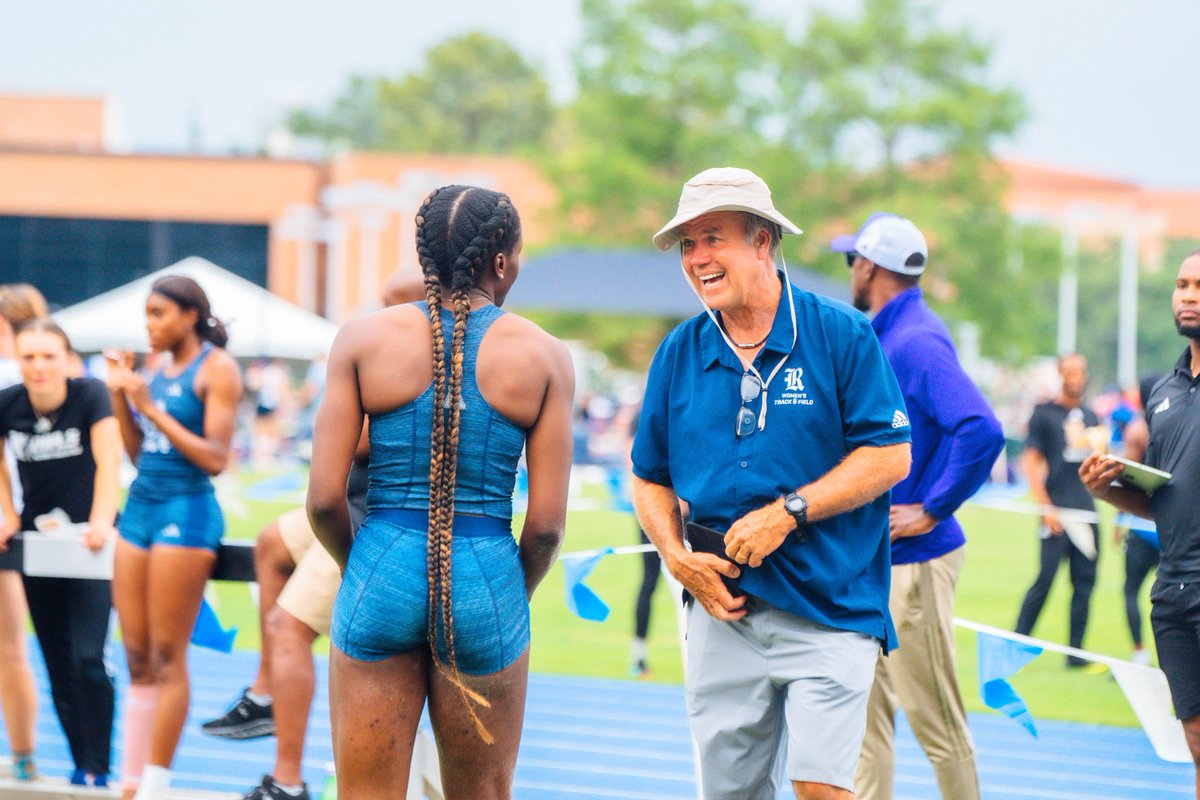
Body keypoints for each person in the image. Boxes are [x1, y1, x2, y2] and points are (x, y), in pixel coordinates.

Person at [631, 167, 912, 800]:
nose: (697, 258)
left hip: (831, 608)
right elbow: (648, 477)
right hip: (719, 613)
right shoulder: (679, 350)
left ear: (763, 242)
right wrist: (676, 558)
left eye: (713, 237)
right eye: (687, 244)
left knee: (822, 791)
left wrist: (790, 511)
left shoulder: (841, 333)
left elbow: (891, 455)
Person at [307, 185, 574, 798]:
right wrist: (507, 589)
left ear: (425, 256)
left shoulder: (361, 340)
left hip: (382, 563)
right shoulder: (546, 356)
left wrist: (366, 568)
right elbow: (547, 528)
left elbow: (323, 499)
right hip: (484, 574)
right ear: (501, 261)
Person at [201, 274, 427, 800]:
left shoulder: (422, 357)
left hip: (372, 517)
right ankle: (265, 693)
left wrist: (343, 400)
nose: (379, 318)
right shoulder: (384, 343)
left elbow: (360, 441)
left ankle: (288, 780)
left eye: (392, 307)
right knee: (270, 544)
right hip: (349, 499)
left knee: (287, 627)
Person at [833, 213, 1004, 800]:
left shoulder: (916, 339)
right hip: (878, 562)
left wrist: (932, 507)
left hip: (914, 558)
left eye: (851, 259)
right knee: (863, 728)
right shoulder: (891, 333)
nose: (849, 271)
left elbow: (980, 428)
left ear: (870, 267)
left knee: (938, 728)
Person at [105, 276, 244, 800]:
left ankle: (156, 784)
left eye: (158, 313)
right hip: (140, 507)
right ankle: (130, 781)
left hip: (186, 513)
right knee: (136, 655)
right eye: (146, 314)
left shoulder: (218, 368)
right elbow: (141, 453)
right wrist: (124, 396)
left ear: (190, 316)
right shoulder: (155, 368)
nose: (149, 324)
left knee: (167, 657)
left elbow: (214, 458)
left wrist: (151, 404)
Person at [1079, 250, 1200, 796]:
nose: (1188, 295)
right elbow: (1163, 500)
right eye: (1180, 284)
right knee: (1194, 737)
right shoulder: (1165, 392)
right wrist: (1107, 489)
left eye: (1199, 285)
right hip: (1172, 588)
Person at [0, 319, 121, 787]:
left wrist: (101, 519)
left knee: (89, 657)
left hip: (89, 544)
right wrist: (7, 512)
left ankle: (101, 765)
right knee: (57, 661)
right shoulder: (9, 403)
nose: (39, 366)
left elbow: (109, 461)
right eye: (29, 357)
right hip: (39, 546)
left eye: (49, 356)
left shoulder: (89, 394)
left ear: (66, 359)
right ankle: (81, 765)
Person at [1014, 353, 1103, 667]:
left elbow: (1098, 463)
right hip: (1056, 510)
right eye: (1070, 372)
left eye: (1081, 371)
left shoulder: (1092, 416)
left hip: (1086, 511)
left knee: (1085, 583)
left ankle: (1075, 655)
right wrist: (1045, 507)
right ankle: (1017, 644)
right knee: (1045, 578)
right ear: (1060, 374)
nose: (1076, 377)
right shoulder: (1044, 414)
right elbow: (1031, 462)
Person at [0, 284, 49, 781]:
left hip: (9, 526)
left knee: (12, 649)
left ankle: (24, 756)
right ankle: (24, 758)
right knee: (12, 650)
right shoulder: (47, 374)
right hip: (20, 525)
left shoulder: (13, 380)